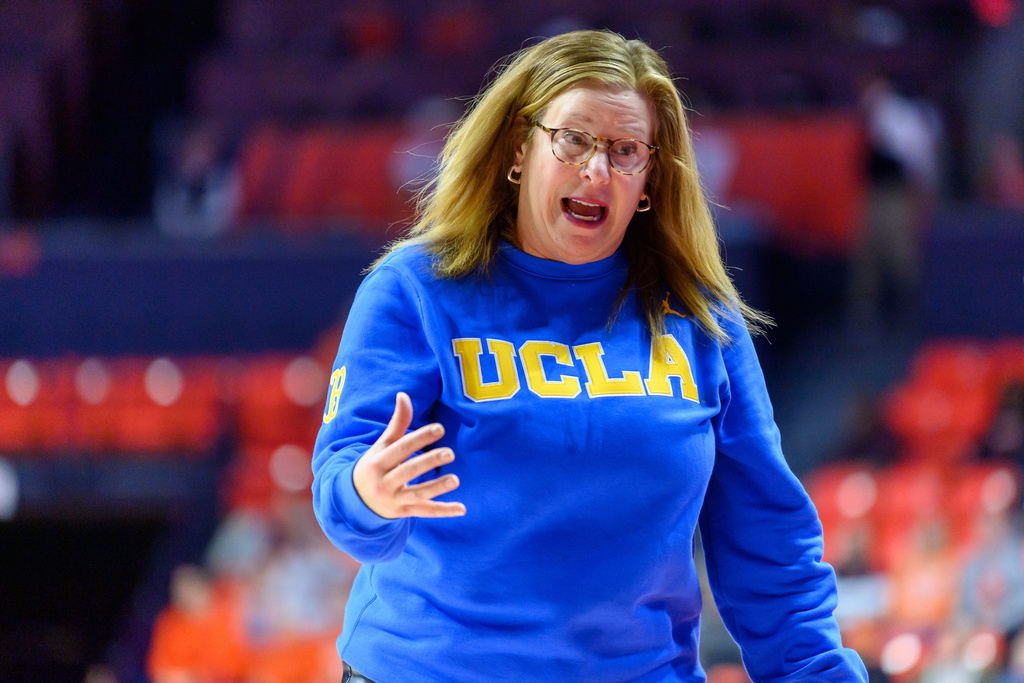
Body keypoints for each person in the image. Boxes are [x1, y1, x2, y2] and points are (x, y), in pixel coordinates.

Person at [312, 29, 868, 682]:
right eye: (573, 139)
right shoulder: (417, 288)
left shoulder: (699, 316)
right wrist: (367, 494)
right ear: (519, 150)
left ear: (651, 180)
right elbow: (343, 481)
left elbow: (770, 546)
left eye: (626, 150)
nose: (597, 170)